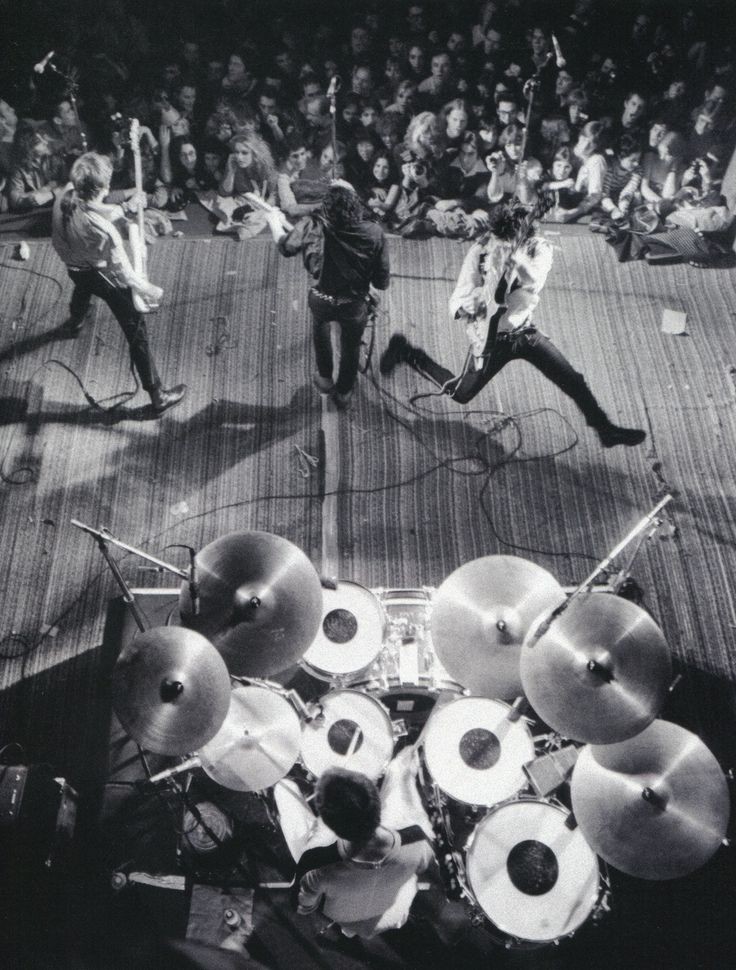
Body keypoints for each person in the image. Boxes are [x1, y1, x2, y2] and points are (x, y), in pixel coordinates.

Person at [379, 202, 646, 449]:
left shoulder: (540, 248)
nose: (499, 243)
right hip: (492, 338)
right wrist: (472, 304)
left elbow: (533, 281)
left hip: (525, 333)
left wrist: (513, 264)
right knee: (461, 393)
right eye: (498, 238)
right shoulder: (482, 249)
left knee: (572, 379)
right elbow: (461, 293)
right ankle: (408, 352)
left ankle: (605, 430)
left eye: (507, 239)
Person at [51, 152, 185, 415]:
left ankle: (75, 320)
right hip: (101, 274)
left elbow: (92, 205)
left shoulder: (66, 193)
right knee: (135, 327)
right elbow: (127, 273)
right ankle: (157, 394)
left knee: (82, 288)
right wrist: (150, 290)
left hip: (73, 267)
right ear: (102, 187)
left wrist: (124, 206)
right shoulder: (104, 229)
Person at [263, 181, 389, 409]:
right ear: (356, 206)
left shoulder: (311, 226)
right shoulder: (374, 233)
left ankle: (324, 378)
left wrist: (273, 222)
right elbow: (381, 280)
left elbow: (286, 247)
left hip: (321, 298)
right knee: (350, 346)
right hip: (353, 303)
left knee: (320, 330)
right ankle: (344, 392)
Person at [292, 767, 434, 939]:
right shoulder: (418, 839)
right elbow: (422, 865)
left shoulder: (316, 861)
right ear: (377, 805)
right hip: (393, 912)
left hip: (346, 917)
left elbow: (305, 907)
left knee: (285, 791)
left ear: (332, 825)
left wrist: (319, 830)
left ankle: (349, 930)